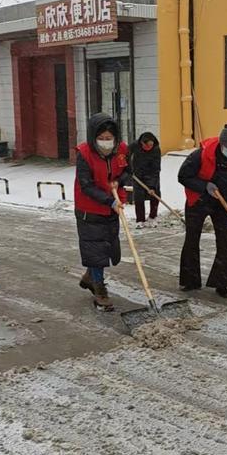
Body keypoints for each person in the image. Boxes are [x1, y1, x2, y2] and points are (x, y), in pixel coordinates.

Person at [178, 123, 227, 299]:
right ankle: (190, 280)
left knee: (224, 241)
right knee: (192, 238)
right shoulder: (201, 154)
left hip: (222, 203)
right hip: (198, 200)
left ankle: (222, 282)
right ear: (222, 144)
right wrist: (205, 186)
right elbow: (183, 176)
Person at [74, 113, 132, 311]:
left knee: (105, 248)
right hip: (89, 210)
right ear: (93, 137)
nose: (106, 142)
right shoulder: (84, 154)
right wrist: (109, 200)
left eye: (109, 138)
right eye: (101, 138)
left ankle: (91, 276)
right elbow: (86, 186)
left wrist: (119, 181)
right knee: (95, 249)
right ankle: (99, 289)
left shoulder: (121, 150)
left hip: (112, 207)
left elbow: (128, 171)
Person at [129, 131, 162, 226]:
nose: (149, 147)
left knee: (155, 195)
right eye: (146, 146)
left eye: (150, 145)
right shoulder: (134, 146)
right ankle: (140, 220)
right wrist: (128, 169)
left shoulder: (156, 149)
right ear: (141, 143)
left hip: (152, 173)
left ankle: (153, 216)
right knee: (138, 197)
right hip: (137, 174)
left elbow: (156, 168)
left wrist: (152, 186)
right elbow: (125, 156)